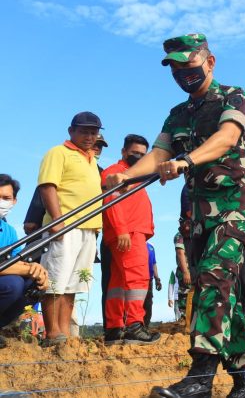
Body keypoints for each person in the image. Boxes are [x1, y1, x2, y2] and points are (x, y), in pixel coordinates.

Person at [106, 33, 245, 398]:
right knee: (216, 289)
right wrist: (126, 176)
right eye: (175, 69)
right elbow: (160, 153)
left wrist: (187, 160)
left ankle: (199, 377)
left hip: (235, 204)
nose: (183, 74)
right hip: (197, 211)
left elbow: (227, 137)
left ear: (209, 62)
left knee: (213, 277)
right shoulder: (177, 114)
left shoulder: (233, 96)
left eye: (189, 65)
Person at [38, 112, 103, 346]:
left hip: (89, 228)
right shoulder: (58, 152)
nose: (89, 136)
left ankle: (65, 332)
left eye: (94, 132)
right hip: (66, 226)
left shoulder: (92, 159)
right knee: (56, 279)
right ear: (71, 131)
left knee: (75, 283)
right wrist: (57, 219)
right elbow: (48, 186)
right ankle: (52, 332)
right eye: (84, 131)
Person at [101, 134, 160, 345]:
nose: (139, 157)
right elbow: (110, 201)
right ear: (124, 152)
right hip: (129, 234)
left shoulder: (134, 176)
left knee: (118, 283)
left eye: (143, 155)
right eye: (135, 153)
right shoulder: (115, 174)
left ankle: (115, 328)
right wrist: (122, 230)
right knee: (137, 279)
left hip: (129, 233)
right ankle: (135, 325)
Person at [0, 174, 49, 348]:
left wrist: (36, 270)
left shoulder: (9, 231)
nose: (2, 202)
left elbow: (16, 261)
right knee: (13, 284)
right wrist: (26, 269)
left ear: (14, 201)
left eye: (6, 198)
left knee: (33, 283)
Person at [144, 241, 162, 328]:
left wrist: (157, 278)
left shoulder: (151, 247)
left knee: (148, 304)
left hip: (149, 280)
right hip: (138, 280)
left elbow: (154, 263)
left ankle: (145, 327)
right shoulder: (134, 244)